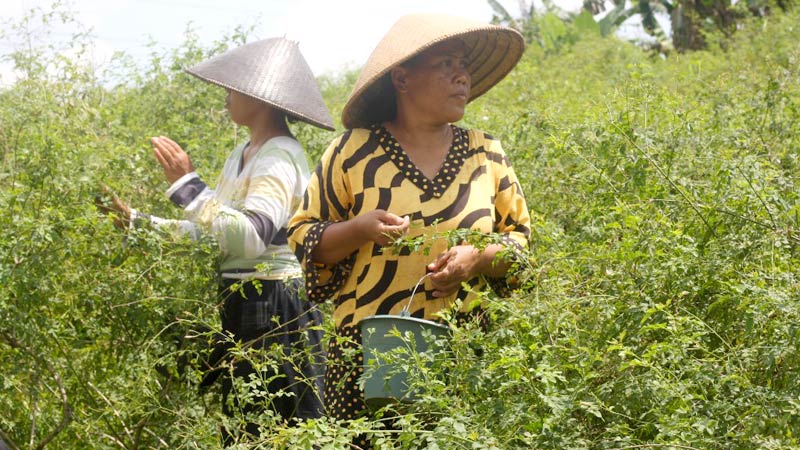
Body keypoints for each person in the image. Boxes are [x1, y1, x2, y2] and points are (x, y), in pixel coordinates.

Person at [287, 13, 531, 447]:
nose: (462, 76)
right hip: (365, 360)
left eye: (464, 66)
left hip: (464, 355)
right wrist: (359, 229)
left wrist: (478, 258)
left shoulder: (486, 153)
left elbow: (521, 247)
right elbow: (305, 237)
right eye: (445, 64)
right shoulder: (352, 152)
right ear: (402, 79)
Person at [102, 38, 333, 444]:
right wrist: (138, 223)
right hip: (246, 300)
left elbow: (249, 239)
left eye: (233, 87)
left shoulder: (278, 156)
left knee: (281, 429)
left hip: (276, 304)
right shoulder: (244, 153)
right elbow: (215, 233)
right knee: (246, 428)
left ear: (259, 96)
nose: (226, 96)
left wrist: (188, 186)